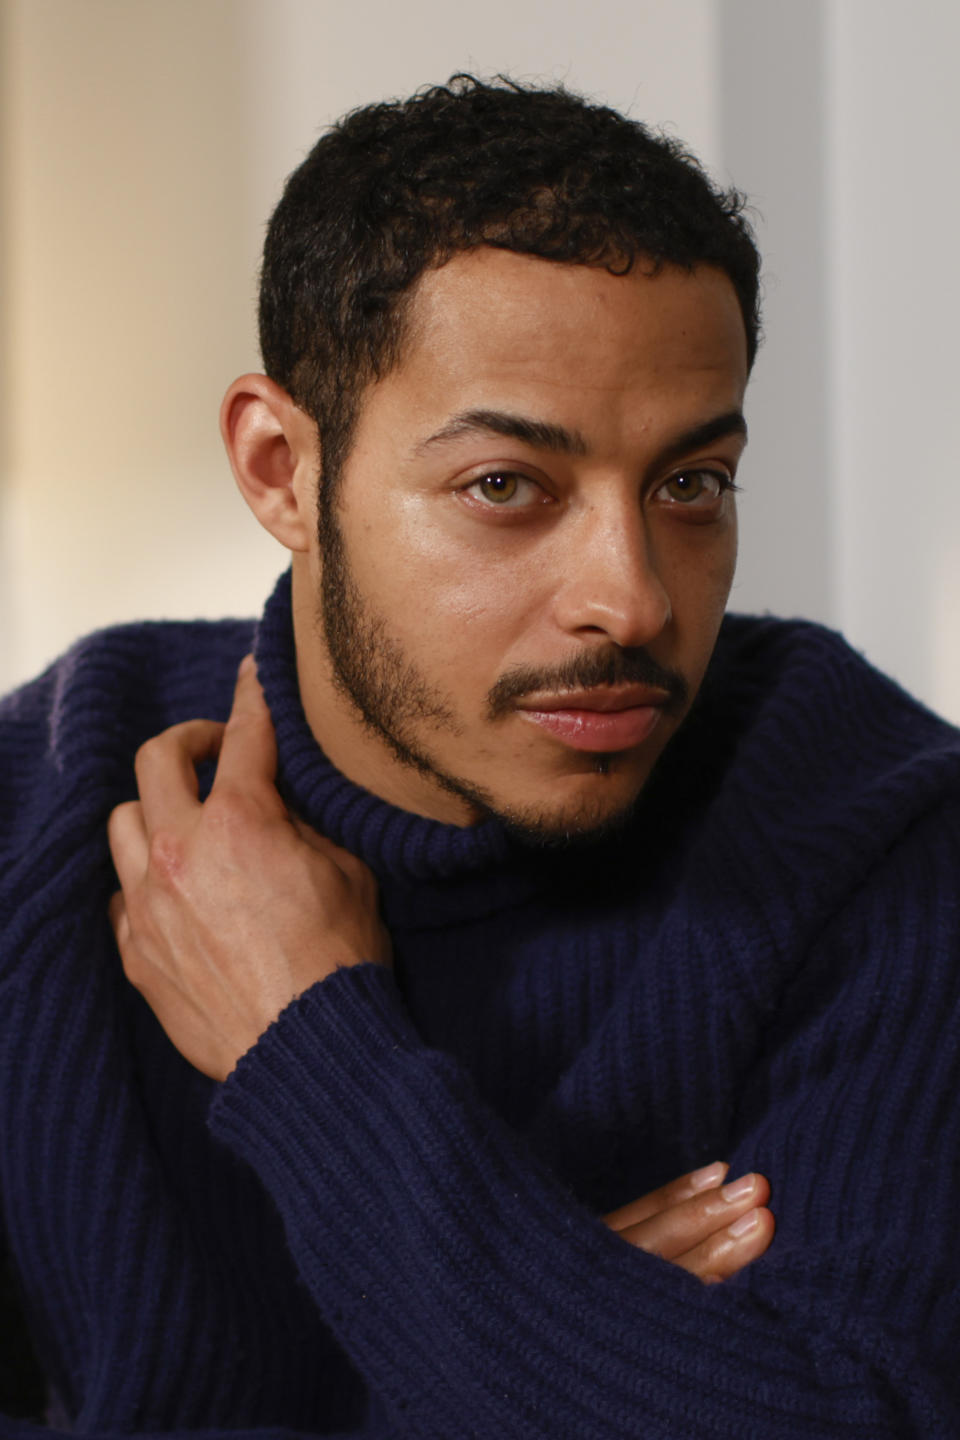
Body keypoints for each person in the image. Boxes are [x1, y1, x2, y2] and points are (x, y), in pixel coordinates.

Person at [2, 73, 959, 1439]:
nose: (629, 601)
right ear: (281, 469)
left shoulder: (876, 830)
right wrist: (558, 1354)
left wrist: (305, 1045)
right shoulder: (32, 811)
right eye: (507, 487)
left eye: (689, 484)